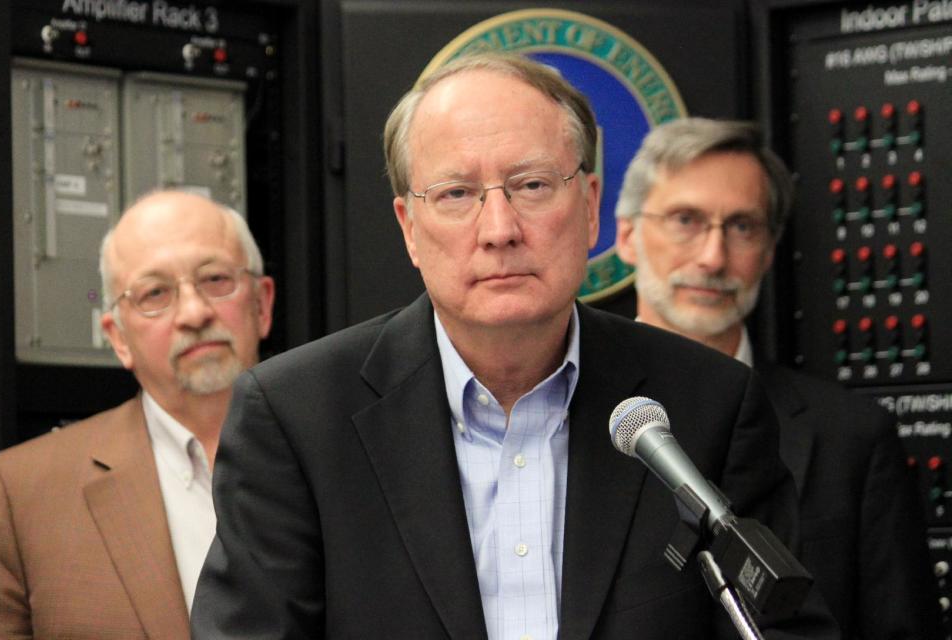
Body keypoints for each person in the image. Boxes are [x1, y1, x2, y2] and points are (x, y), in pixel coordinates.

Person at [191, 54, 835, 638]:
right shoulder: (297, 418)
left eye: (531, 186)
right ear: (409, 229)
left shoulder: (708, 407)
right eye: (456, 194)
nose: (499, 229)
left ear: (588, 207)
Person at [614, 116, 942, 638]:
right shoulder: (564, 411)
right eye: (685, 220)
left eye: (742, 227)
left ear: (769, 251)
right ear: (627, 236)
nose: (713, 257)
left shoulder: (851, 439)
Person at [0, 190, 275, 639]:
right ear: (118, 337)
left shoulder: (347, 454)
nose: (194, 313)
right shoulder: (19, 494)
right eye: (155, 293)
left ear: (261, 303)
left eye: (216, 279)